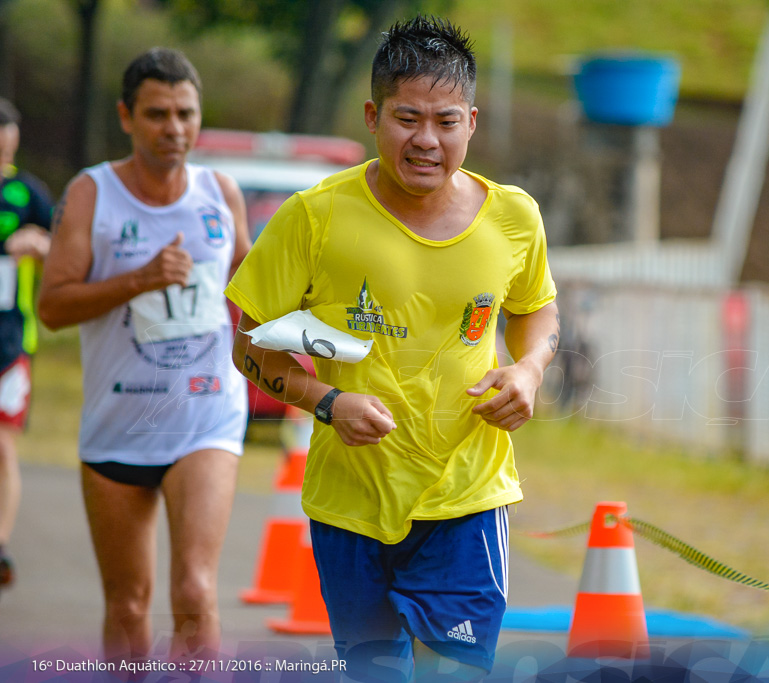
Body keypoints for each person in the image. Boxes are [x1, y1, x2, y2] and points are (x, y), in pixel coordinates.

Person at [226, 15, 559, 682]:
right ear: (374, 117)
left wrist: (528, 367)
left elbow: (537, 308)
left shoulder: (513, 216)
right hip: (350, 502)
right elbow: (250, 343)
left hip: (465, 498)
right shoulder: (314, 216)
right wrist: (327, 400)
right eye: (408, 119)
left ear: (472, 120)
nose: (427, 140)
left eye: (445, 121)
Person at [37, 48, 249, 661]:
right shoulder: (91, 195)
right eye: (158, 114)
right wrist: (139, 279)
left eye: (186, 113)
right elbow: (52, 308)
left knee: (194, 591)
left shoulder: (220, 192)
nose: (175, 129)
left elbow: (254, 289)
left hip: (204, 418)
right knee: (128, 606)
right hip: (119, 423)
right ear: (127, 117)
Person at [0, 97, 53, 596]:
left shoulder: (27, 193)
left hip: (12, 340)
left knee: (3, 447)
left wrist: (41, 244)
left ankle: (1, 545)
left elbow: (69, 252)